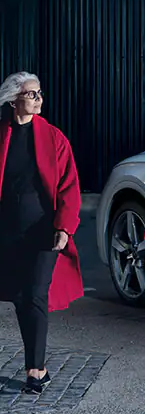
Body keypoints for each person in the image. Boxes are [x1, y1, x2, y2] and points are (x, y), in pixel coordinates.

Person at [0, 72, 83, 394]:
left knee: (35, 294)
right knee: (21, 298)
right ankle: (35, 364)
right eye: (31, 94)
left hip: (43, 229)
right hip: (7, 229)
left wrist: (64, 227)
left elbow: (69, 186)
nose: (38, 99)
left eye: (39, 93)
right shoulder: (1, 133)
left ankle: (37, 369)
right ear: (12, 100)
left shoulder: (53, 137)